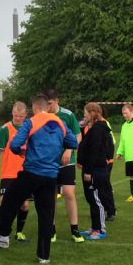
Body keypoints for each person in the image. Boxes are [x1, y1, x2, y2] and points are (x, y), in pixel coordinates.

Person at [0, 94, 78, 264]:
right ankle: (44, 256)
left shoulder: (31, 122)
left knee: (8, 201)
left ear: (34, 108)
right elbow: (73, 142)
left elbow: (14, 144)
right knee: (46, 215)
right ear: (47, 107)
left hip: (32, 172)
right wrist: (55, 146)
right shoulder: (60, 123)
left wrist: (21, 151)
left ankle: (3, 236)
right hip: (51, 176)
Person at [0, 101, 31, 243]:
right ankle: (1, 233)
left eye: (21, 116)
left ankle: (19, 232)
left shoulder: (29, 128)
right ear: (12, 113)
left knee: (24, 204)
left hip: (25, 172)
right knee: (3, 202)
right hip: (8, 173)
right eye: (16, 115)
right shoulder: (6, 129)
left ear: (25, 115)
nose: (18, 118)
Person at [45, 90, 84, 243]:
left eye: (50, 103)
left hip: (67, 161)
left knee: (69, 193)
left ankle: (75, 229)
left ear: (57, 101)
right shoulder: (43, 116)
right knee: (51, 195)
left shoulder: (68, 115)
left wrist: (69, 149)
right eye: (46, 104)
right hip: (49, 162)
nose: (48, 107)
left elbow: (78, 135)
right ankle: (51, 229)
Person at [77, 102, 115, 240]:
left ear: (92, 113)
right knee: (91, 198)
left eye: (86, 113)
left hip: (96, 170)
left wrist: (88, 171)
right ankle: (94, 227)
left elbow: (94, 151)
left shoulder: (98, 129)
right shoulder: (92, 128)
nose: (84, 116)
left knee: (96, 199)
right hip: (92, 168)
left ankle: (100, 229)